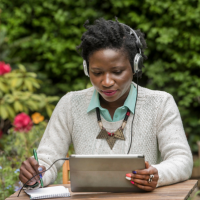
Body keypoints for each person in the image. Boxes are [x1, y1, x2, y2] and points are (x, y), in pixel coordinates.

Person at [19, 18, 193, 192]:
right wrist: (37, 174)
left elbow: (181, 159)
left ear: (135, 66)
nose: (107, 82)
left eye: (117, 72)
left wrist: (157, 174)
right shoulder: (70, 104)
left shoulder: (160, 103)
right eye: (97, 73)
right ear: (87, 69)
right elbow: (46, 160)